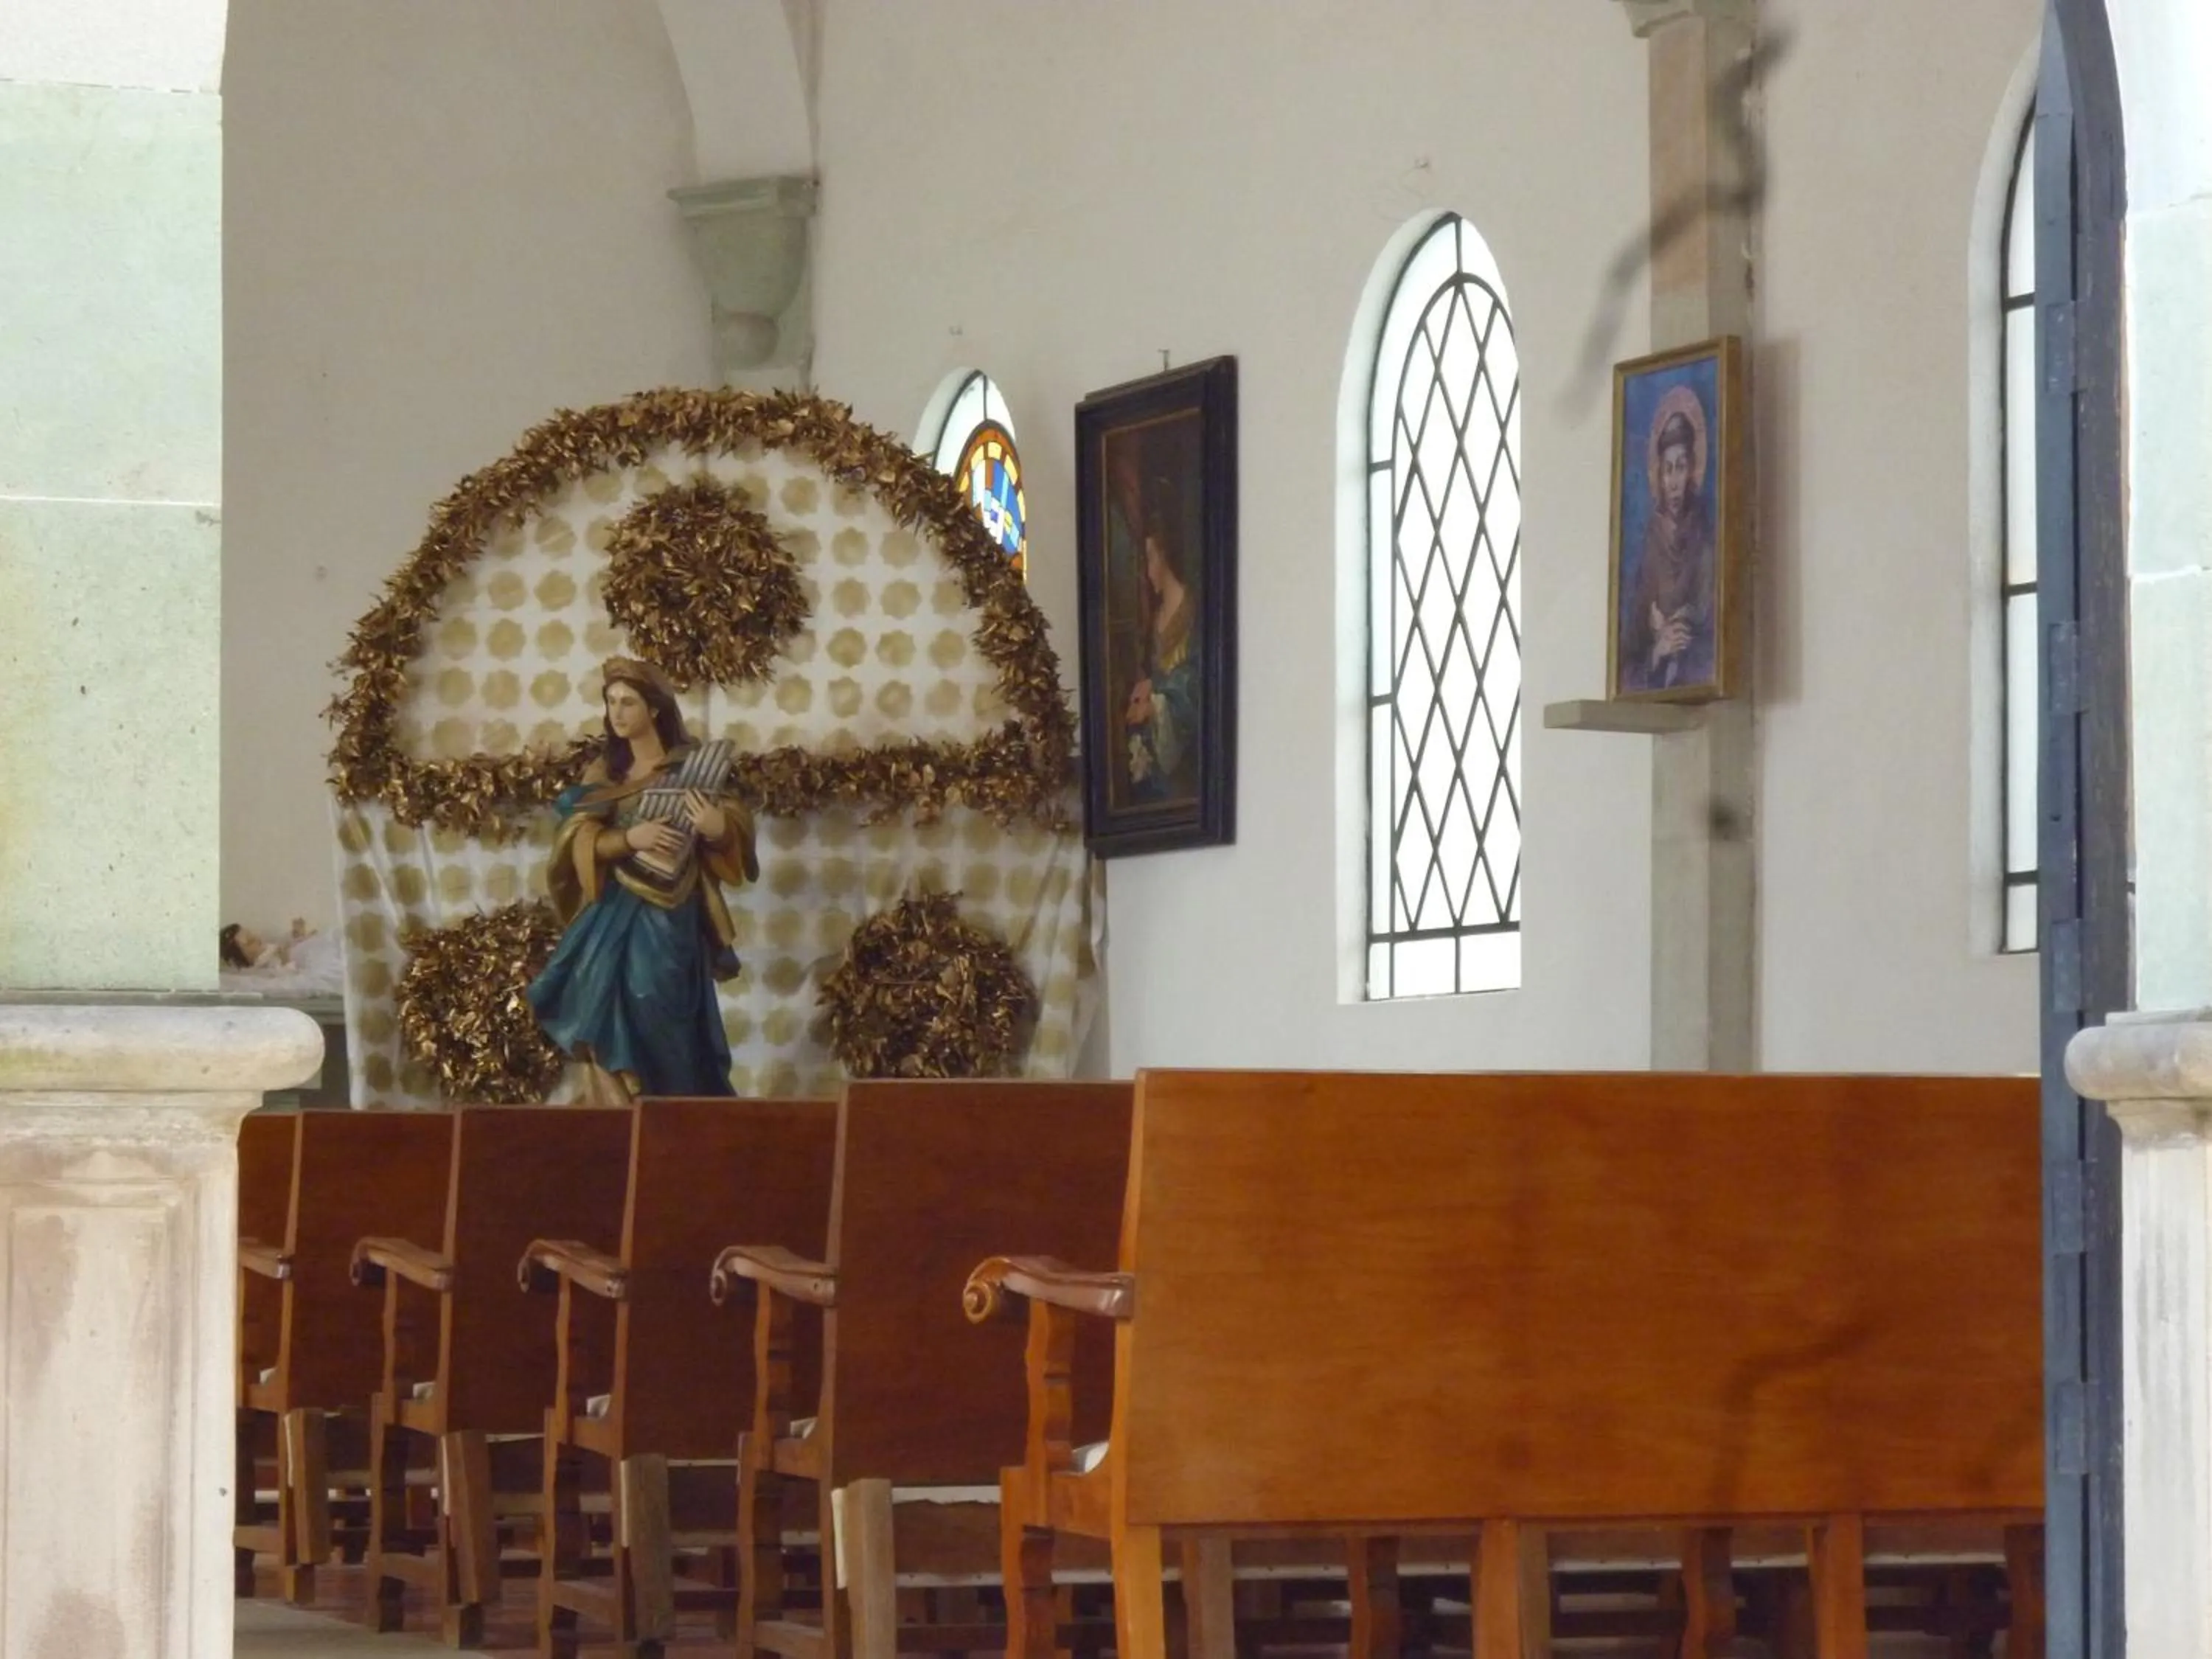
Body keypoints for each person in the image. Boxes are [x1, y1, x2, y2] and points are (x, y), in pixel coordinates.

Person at [525, 657, 757, 1103]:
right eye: (611, 702)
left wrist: (717, 827)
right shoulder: (605, 774)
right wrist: (631, 837)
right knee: (603, 1000)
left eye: (628, 702)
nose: (617, 713)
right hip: (613, 915)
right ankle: (623, 1112)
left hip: (672, 915)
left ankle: (671, 1109)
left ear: (654, 709)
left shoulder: (690, 767)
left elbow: (731, 821)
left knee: (657, 1000)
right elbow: (577, 835)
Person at [1620, 393, 1716, 694]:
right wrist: (1658, 651)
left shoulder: (1705, 541)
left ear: (1692, 472)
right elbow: (1626, 666)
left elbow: (1715, 634)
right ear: (1658, 474)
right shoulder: (1650, 547)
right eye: (1668, 469)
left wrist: (1683, 636)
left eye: (1682, 466)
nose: (1674, 480)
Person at [1121, 479, 1201, 802]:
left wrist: (1157, 700)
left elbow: (1195, 679)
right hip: (1158, 741)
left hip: (1184, 743)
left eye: (1151, 558)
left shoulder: (1192, 611)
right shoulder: (1155, 618)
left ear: (1166, 557)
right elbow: (1158, 673)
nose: (1148, 571)